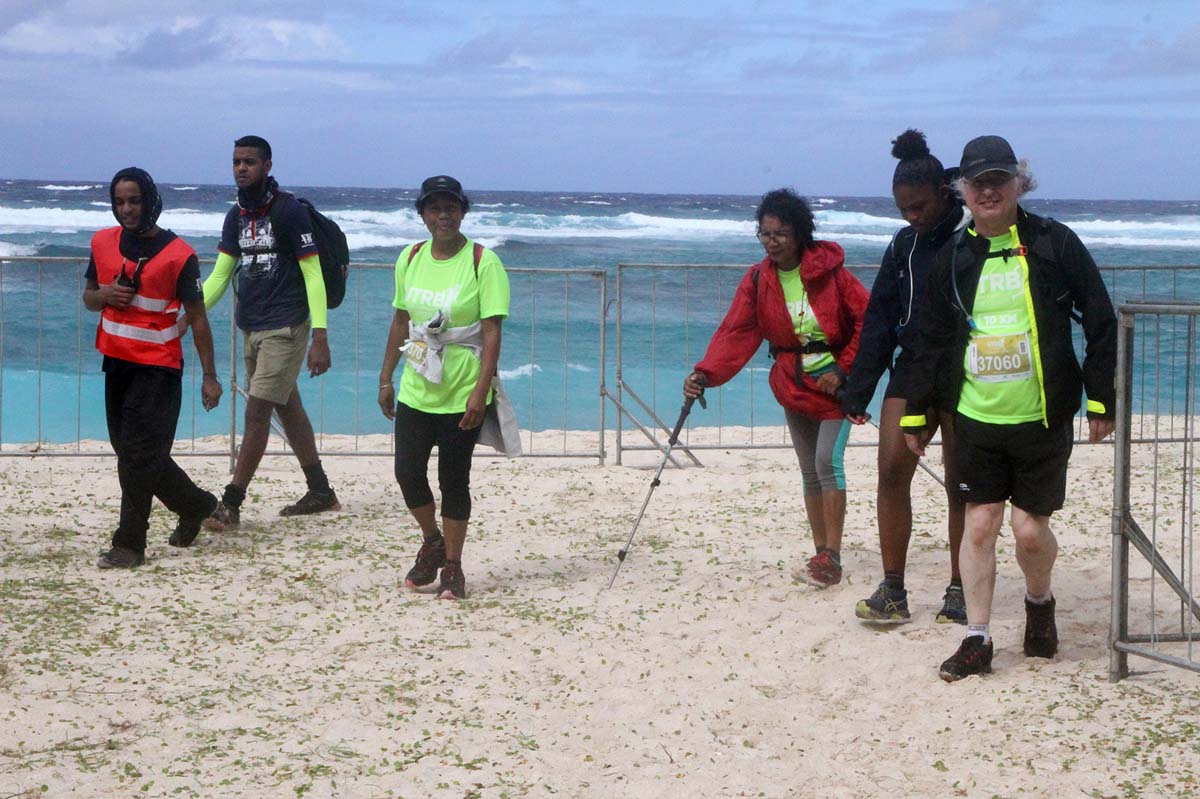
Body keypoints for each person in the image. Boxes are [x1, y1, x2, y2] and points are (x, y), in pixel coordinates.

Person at [900, 135, 1116, 681]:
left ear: (1020, 183)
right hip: (976, 419)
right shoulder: (953, 256)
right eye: (978, 183)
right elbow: (928, 340)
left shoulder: (1053, 242)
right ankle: (977, 638)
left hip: (1042, 418)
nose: (989, 190)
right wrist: (916, 413)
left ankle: (1039, 602)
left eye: (999, 179)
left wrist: (1101, 398)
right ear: (963, 191)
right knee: (979, 526)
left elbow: (1100, 318)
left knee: (1028, 532)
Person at [685, 188, 868, 588]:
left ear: (800, 233)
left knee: (827, 463)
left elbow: (867, 320)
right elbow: (735, 332)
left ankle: (832, 555)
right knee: (809, 470)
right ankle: (821, 554)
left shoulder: (833, 273)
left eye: (781, 234)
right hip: (792, 385)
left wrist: (844, 369)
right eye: (765, 234)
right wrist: (705, 374)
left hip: (837, 388)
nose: (772, 242)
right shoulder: (757, 279)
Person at [842, 129, 969, 625]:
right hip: (913, 369)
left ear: (943, 193)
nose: (912, 217)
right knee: (891, 472)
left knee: (961, 484)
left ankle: (960, 589)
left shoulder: (973, 236)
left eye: (919, 206)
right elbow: (879, 317)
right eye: (903, 210)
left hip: (964, 372)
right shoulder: (902, 245)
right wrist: (858, 388)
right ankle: (893, 589)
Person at [378, 176, 510, 600]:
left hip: (462, 388)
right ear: (422, 214)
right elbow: (401, 320)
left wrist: (480, 391)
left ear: (463, 212)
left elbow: (492, 330)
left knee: (454, 480)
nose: (443, 216)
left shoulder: (483, 261)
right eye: (434, 208)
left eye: (451, 208)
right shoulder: (410, 257)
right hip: (417, 385)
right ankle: (431, 541)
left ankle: (452, 565)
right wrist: (385, 377)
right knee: (407, 472)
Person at [83, 167, 223, 568]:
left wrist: (209, 376)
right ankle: (197, 505)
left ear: (150, 200)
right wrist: (106, 294)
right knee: (133, 452)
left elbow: (197, 317)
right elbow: (89, 298)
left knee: (137, 457)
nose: (126, 209)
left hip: (158, 369)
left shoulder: (180, 255)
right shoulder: (102, 242)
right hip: (117, 364)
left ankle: (129, 545)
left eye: (134, 200)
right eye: (119, 202)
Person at [198, 135, 339, 531]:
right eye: (236, 161)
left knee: (257, 410)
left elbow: (312, 274)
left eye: (250, 162)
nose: (241, 168)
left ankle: (231, 503)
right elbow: (220, 276)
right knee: (286, 406)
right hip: (252, 327)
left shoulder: (289, 211)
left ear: (267, 165)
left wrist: (320, 336)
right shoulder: (235, 216)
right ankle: (321, 491)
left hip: (287, 326)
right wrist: (187, 313)